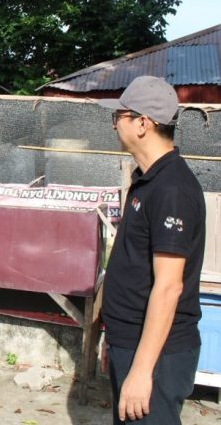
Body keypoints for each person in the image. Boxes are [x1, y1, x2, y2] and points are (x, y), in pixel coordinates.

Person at [98, 76, 205, 423]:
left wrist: (142, 371)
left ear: (142, 123)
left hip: (157, 355)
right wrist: (113, 335)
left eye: (119, 117)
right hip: (131, 341)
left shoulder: (172, 189)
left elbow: (169, 286)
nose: (114, 124)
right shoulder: (147, 181)